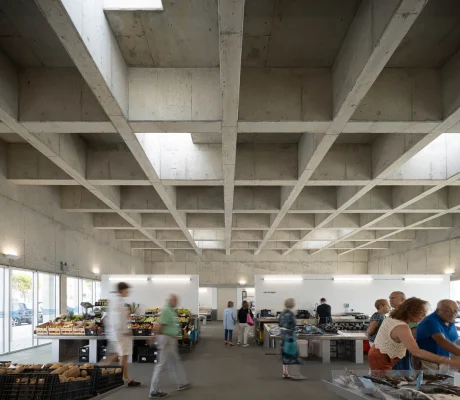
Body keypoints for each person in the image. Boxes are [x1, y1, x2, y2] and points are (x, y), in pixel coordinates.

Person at [368, 297, 460, 371]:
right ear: (412, 312)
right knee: (383, 386)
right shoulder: (401, 326)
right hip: (383, 357)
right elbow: (416, 351)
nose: (424, 316)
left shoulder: (392, 317)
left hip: (378, 353)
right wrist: (450, 361)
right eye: (422, 313)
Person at [149, 294, 191, 398]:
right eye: (175, 300)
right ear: (170, 300)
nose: (176, 302)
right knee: (161, 365)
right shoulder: (166, 310)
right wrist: (153, 336)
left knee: (175, 362)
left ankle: (181, 383)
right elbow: (160, 325)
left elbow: (171, 325)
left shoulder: (172, 310)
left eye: (177, 300)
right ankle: (154, 391)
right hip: (165, 339)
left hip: (171, 339)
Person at [105, 282, 141, 387]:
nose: (128, 292)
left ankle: (124, 379)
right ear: (122, 290)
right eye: (126, 290)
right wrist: (124, 331)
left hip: (119, 334)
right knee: (117, 356)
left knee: (122, 357)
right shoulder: (117, 302)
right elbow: (116, 321)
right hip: (119, 334)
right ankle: (108, 376)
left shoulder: (118, 301)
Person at [415, 300, 460, 370]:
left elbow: (451, 339)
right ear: (438, 310)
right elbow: (441, 341)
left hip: (445, 361)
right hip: (429, 363)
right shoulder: (430, 321)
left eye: (456, 311)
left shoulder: (449, 320)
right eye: (448, 311)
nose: (452, 314)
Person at [279, 298, 306, 380]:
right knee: (293, 354)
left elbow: (280, 324)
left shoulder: (282, 313)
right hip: (290, 336)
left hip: (283, 335)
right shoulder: (291, 314)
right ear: (293, 305)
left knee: (285, 353)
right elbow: (293, 325)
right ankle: (296, 374)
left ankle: (285, 372)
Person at [388, 291, 411, 370]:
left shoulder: (408, 313)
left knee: (401, 373)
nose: (390, 300)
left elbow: (413, 331)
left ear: (402, 299)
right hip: (391, 349)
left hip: (402, 348)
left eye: (393, 298)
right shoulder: (392, 313)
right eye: (390, 298)